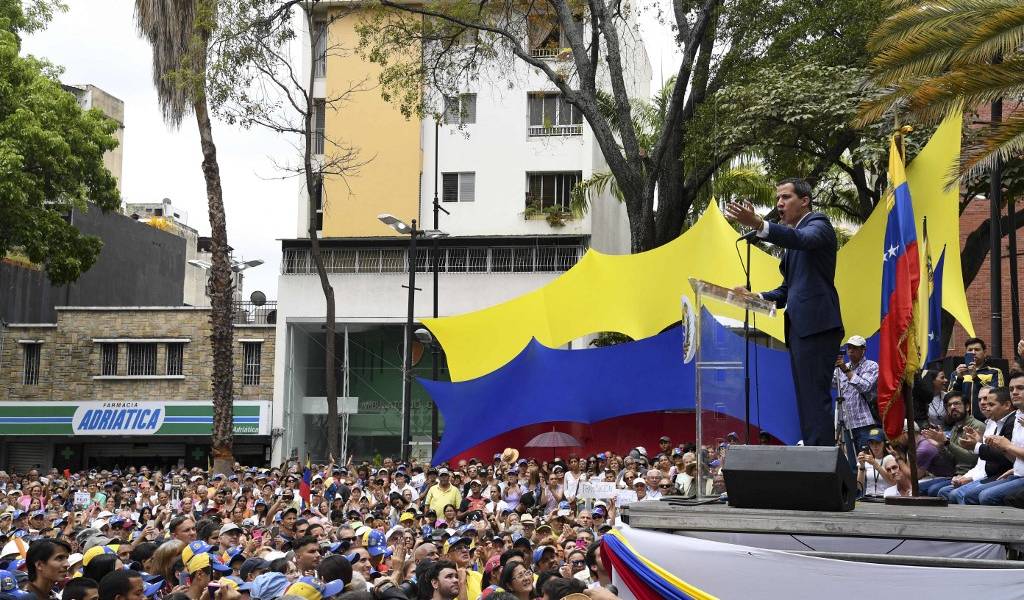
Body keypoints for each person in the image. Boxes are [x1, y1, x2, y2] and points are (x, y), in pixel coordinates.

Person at [727, 179, 843, 446]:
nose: (779, 203)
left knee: (815, 398)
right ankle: (816, 455)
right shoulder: (793, 246)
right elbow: (787, 291)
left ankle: (821, 462)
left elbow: (803, 239)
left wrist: (759, 225)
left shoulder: (819, 224)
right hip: (800, 328)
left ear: (805, 200)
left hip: (818, 326)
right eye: (778, 198)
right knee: (806, 399)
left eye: (786, 197)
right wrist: (755, 298)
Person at [940, 387, 1018, 504]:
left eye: (989, 402)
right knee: (944, 491)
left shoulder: (1011, 421)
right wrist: (941, 445)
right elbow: (980, 462)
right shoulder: (992, 422)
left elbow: (1002, 457)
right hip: (978, 473)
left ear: (1007, 405)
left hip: (999, 474)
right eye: (980, 399)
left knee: (974, 495)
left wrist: (976, 445)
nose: (984, 404)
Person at [917, 391, 985, 496]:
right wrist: (940, 446)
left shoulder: (977, 426)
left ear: (967, 407)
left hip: (971, 475)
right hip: (954, 474)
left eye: (956, 403)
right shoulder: (954, 428)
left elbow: (972, 459)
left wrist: (946, 442)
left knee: (934, 490)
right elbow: (950, 461)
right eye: (949, 405)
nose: (953, 407)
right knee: (917, 487)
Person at [833, 335, 879, 463]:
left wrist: (845, 370)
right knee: (852, 463)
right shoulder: (840, 367)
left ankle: (866, 484)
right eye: (849, 347)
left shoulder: (871, 366)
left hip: (864, 423)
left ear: (863, 350)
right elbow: (829, 383)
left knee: (866, 462)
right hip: (847, 424)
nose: (850, 350)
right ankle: (855, 483)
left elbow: (865, 386)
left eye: (854, 348)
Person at [949, 337, 1005, 417]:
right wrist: (959, 380)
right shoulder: (957, 373)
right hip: (963, 420)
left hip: (987, 419)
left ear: (985, 353)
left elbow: (998, 396)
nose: (973, 352)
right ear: (966, 353)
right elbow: (950, 399)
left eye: (977, 349)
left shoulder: (994, 372)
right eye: (970, 350)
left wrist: (975, 377)